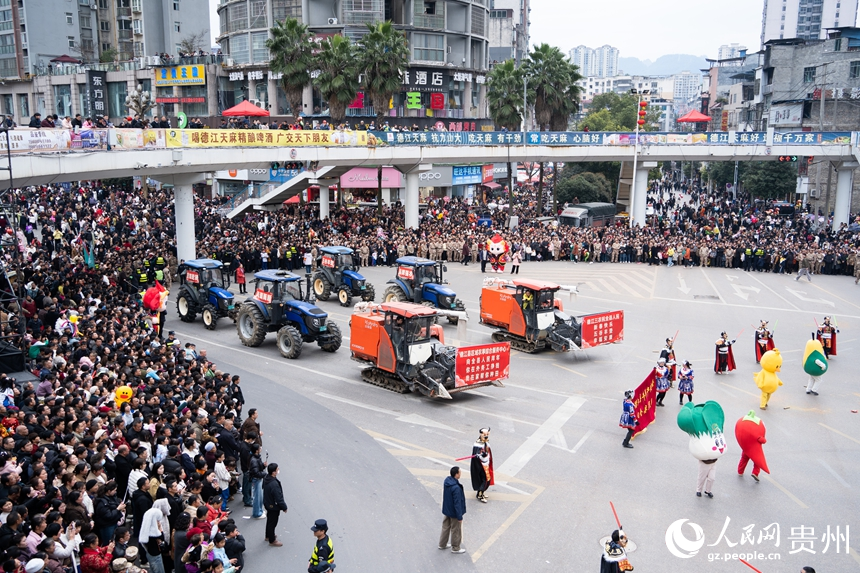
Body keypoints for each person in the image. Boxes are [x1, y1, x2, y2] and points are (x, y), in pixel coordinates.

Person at [439, 466, 466, 554]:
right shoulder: (456, 488)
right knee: (456, 529)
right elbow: (457, 503)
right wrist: (459, 516)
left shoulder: (447, 482)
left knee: (445, 527)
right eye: (459, 472)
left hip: (447, 509)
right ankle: (456, 547)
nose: (460, 474)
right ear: (456, 474)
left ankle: (442, 544)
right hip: (454, 512)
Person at [262, 463, 287, 547]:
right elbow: (278, 497)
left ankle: (268, 535)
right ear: (273, 472)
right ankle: (272, 540)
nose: (278, 470)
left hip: (268, 503)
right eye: (277, 469)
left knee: (269, 520)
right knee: (273, 522)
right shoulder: (274, 484)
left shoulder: (266, 478)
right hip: (273, 506)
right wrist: (284, 507)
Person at [469, 428, 493, 503]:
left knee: (485, 478)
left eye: (487, 434)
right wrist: (482, 455)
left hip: (486, 463)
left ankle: (481, 492)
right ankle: (480, 495)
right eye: (484, 434)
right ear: (481, 434)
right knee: (485, 479)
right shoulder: (478, 444)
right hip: (481, 465)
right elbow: (477, 455)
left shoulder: (485, 441)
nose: (486, 436)